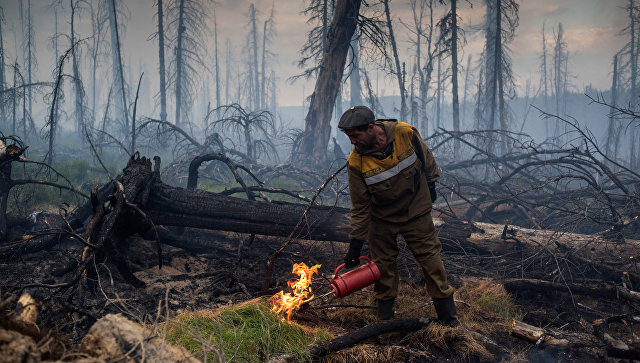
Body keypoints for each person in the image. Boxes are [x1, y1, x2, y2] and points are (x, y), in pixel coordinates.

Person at [338, 105, 458, 325]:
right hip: (381, 220)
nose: (352, 142)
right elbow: (360, 206)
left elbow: (427, 158)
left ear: (371, 127)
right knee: (383, 268)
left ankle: (449, 321)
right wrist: (355, 243)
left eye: (355, 136)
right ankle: (385, 322)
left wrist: (431, 185)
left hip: (416, 211)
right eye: (349, 137)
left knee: (432, 263)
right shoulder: (356, 162)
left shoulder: (404, 133)